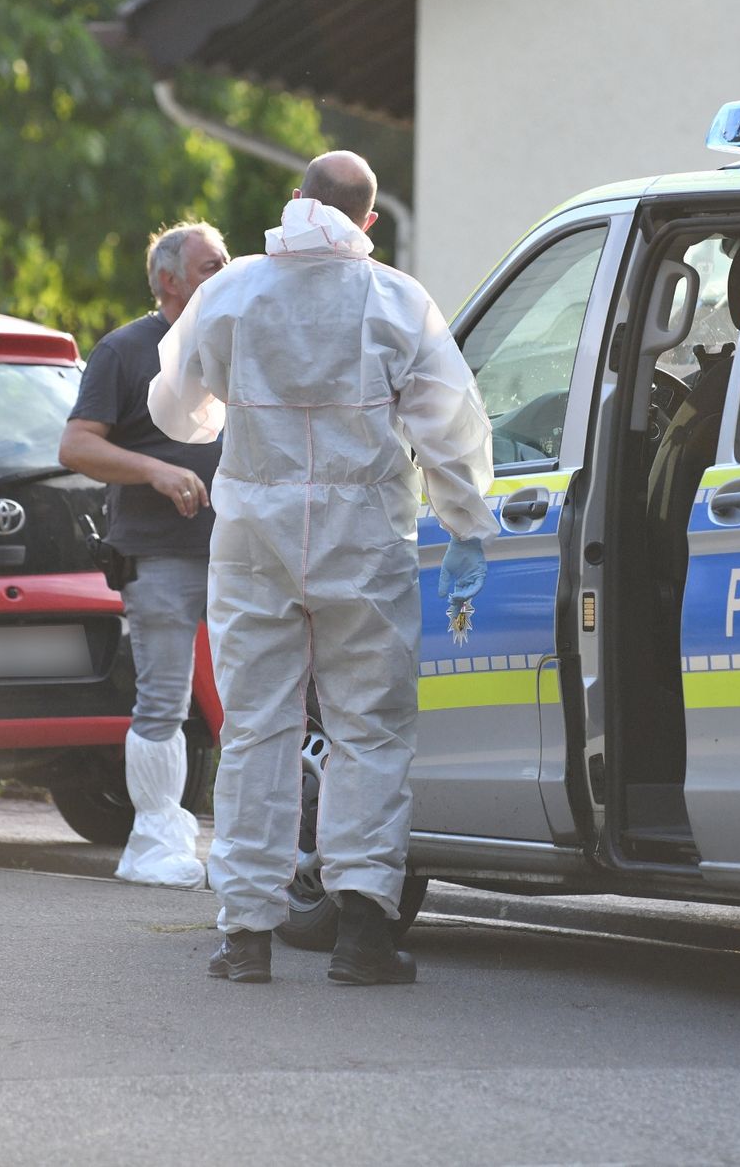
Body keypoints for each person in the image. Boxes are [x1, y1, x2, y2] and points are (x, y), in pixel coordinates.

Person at [149, 151, 496, 985]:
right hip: (364, 535)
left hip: (254, 538)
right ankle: (363, 932)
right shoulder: (396, 300)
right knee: (369, 730)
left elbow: (176, 411)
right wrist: (468, 526)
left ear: (292, 201)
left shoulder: (228, 293)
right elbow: (450, 428)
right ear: (368, 223)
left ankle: (245, 937)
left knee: (256, 728)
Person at [58, 221, 230, 888]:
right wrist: (155, 472)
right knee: (164, 700)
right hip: (161, 558)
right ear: (168, 281)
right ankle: (153, 846)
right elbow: (75, 447)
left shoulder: (236, 349)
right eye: (211, 266)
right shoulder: (125, 351)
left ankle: (246, 846)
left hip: (240, 554)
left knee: (256, 702)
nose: (226, 274)